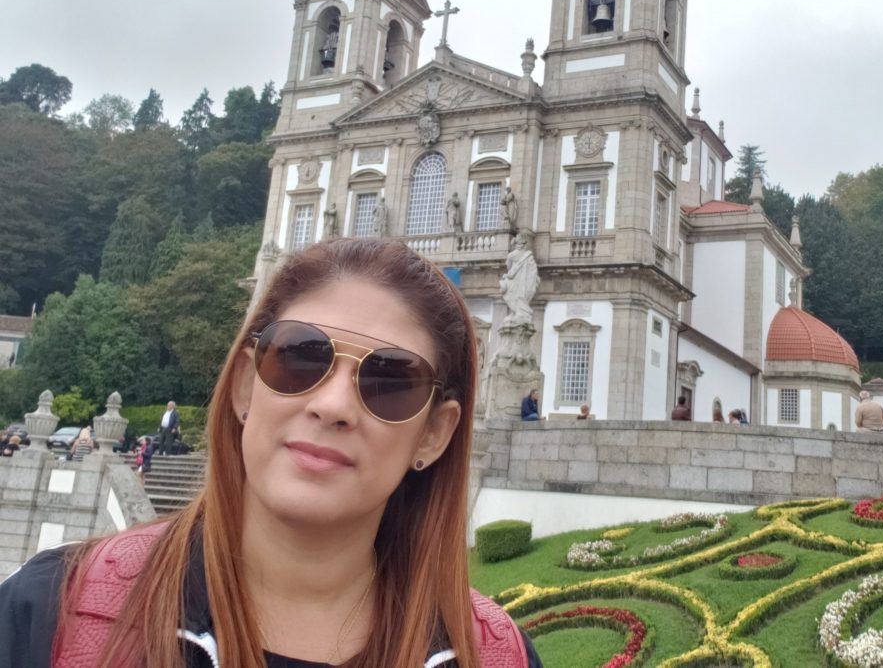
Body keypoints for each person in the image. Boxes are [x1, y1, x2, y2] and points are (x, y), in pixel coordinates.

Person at [0, 238, 541, 667]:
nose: (333, 406)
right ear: (242, 385)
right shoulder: (49, 612)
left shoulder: (496, 658)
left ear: (434, 434)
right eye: (300, 358)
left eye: (391, 381)